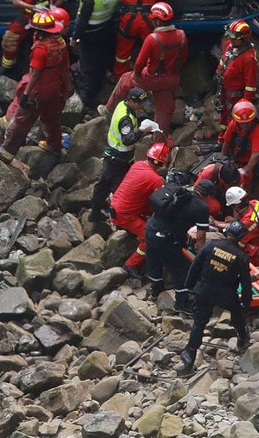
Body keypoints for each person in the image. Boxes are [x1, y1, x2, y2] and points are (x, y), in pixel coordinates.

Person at [0, 11, 72, 164]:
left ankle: (6, 153)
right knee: (52, 119)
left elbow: (35, 74)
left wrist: (26, 95)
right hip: (55, 88)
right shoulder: (61, 43)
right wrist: (68, 88)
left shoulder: (40, 49)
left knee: (22, 122)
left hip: (38, 90)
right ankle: (54, 145)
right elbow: (65, 69)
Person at [178, 220, 252, 373]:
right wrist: (246, 302)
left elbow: (195, 266)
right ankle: (242, 337)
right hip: (226, 294)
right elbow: (245, 283)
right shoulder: (241, 256)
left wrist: (189, 287)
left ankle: (190, 354)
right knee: (237, 313)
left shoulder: (211, 245)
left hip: (204, 290)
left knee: (199, 323)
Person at [103, 2, 187, 133]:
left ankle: (108, 110)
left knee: (126, 79)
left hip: (152, 77)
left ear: (157, 21)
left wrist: (136, 75)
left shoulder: (153, 39)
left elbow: (139, 63)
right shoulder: (181, 35)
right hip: (171, 78)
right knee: (163, 111)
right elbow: (183, 58)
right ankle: (160, 141)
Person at [89, 88, 160, 222]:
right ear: (131, 101)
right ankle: (118, 216)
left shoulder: (122, 105)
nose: (141, 107)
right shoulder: (125, 119)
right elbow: (127, 139)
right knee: (119, 187)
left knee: (104, 182)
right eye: (139, 104)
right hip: (119, 157)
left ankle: (97, 208)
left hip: (115, 153)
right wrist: (141, 130)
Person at [145, 180, 210, 314]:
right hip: (166, 238)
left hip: (150, 229)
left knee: (154, 261)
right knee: (181, 270)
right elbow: (200, 238)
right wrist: (202, 258)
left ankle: (156, 290)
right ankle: (182, 303)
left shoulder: (178, 192)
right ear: (208, 196)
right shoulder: (201, 207)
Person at [110, 141, 171, 276]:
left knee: (148, 213)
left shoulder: (138, 165)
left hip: (116, 205)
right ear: (162, 163)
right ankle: (131, 264)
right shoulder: (156, 180)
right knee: (150, 237)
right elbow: (160, 203)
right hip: (125, 214)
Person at [71, 0, 119, 109]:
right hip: (105, 30)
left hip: (89, 36)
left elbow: (82, 21)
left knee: (88, 67)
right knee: (101, 60)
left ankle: (88, 99)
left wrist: (74, 37)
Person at [214, 20, 258, 133]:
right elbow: (224, 61)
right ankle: (222, 140)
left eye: (234, 37)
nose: (230, 39)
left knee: (233, 121)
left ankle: (231, 145)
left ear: (244, 38)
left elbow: (251, 85)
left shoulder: (249, 58)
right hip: (224, 90)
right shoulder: (230, 45)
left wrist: (244, 104)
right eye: (229, 36)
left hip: (236, 97)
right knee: (223, 117)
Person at [220, 99, 259, 188]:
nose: (245, 126)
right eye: (242, 124)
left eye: (247, 123)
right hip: (240, 157)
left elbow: (256, 154)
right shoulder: (233, 125)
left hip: (256, 162)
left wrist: (246, 170)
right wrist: (222, 159)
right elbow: (226, 142)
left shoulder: (258, 130)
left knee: (245, 181)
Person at [223, 185, 259, 267]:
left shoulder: (247, 223)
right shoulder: (255, 203)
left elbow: (240, 244)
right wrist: (237, 221)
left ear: (236, 206)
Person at [195, 158, 241, 226]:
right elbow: (196, 195)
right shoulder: (207, 174)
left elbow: (239, 198)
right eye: (229, 185)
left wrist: (235, 219)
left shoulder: (236, 177)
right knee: (215, 207)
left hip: (221, 192)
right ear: (221, 179)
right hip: (208, 194)